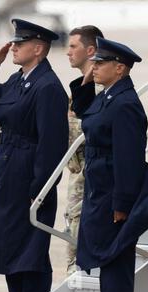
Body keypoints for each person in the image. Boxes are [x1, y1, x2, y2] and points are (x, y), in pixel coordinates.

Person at [0, 19, 68, 292]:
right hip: (8, 171)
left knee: (30, 252)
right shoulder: (21, 79)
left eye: (20, 43)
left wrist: (40, 190)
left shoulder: (47, 86)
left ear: (38, 48)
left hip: (27, 177)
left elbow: (52, 145)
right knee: (9, 249)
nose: (13, 46)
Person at [71, 37, 146, 292]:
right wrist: (87, 80)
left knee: (116, 264)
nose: (95, 67)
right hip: (100, 191)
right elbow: (85, 112)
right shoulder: (110, 97)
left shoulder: (125, 104)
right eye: (95, 62)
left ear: (120, 68)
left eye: (101, 63)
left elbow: (129, 160)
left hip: (113, 197)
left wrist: (122, 205)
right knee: (107, 262)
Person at [65, 25, 104, 275]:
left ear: (90, 50)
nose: (67, 52)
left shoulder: (99, 90)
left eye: (73, 46)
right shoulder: (80, 87)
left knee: (78, 263)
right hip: (76, 180)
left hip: (88, 182)